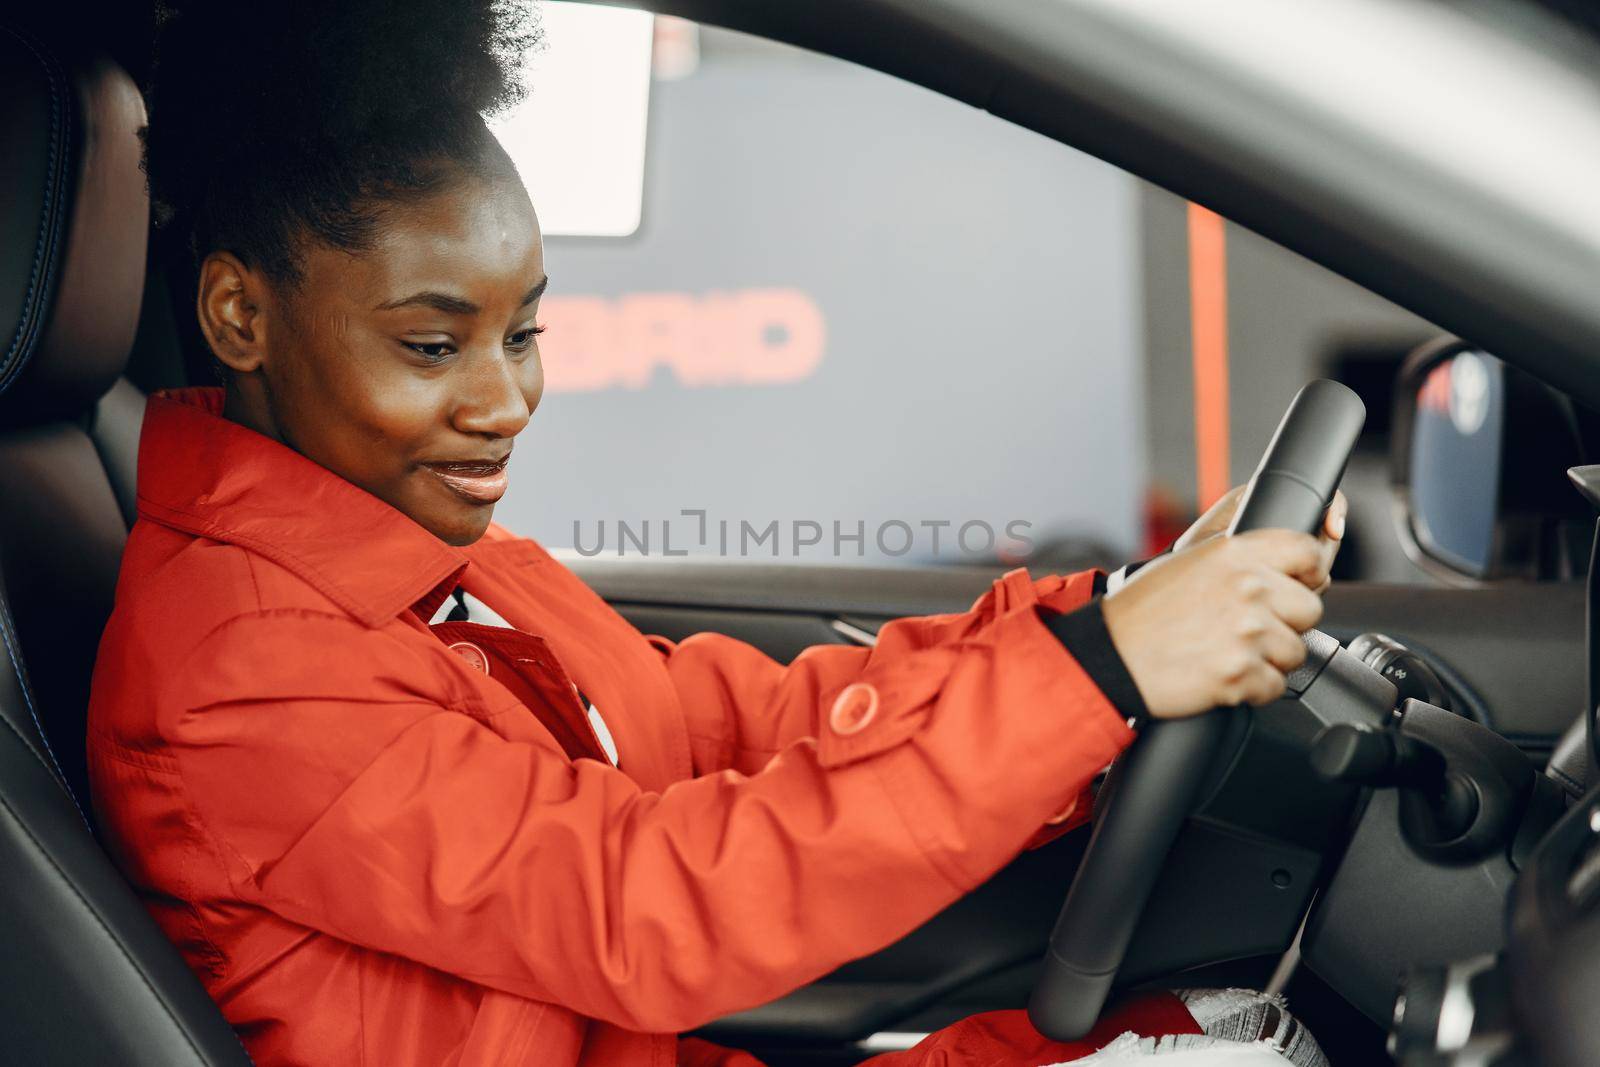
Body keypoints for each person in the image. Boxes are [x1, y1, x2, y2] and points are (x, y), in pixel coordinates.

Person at [88, 2, 1344, 1064]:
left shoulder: (407, 553)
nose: (507, 398)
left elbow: (715, 728)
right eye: (433, 345)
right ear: (240, 315)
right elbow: (649, 902)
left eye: (523, 330)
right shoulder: (236, 674)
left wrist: (1114, 611)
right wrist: (1102, 674)